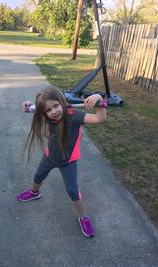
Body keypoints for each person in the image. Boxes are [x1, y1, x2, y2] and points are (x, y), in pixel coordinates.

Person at [17, 86, 107, 238]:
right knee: (38, 176)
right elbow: (29, 108)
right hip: (50, 156)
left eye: (56, 106)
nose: (54, 112)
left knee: (72, 190)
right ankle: (34, 192)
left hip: (68, 161)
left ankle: (84, 217)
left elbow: (100, 118)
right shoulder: (47, 115)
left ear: (62, 102)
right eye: (48, 110)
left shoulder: (75, 115)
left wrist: (98, 99)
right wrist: (26, 104)